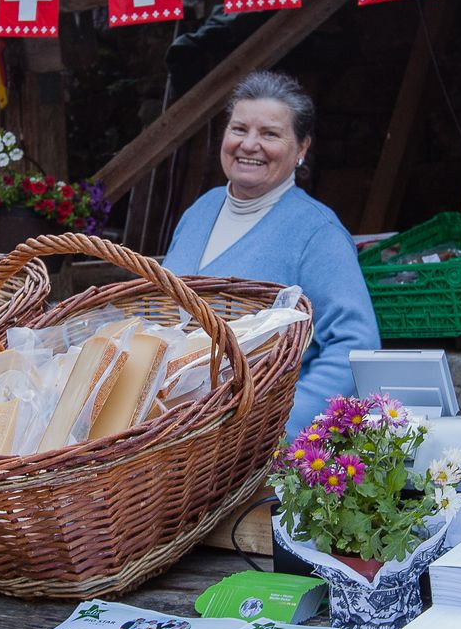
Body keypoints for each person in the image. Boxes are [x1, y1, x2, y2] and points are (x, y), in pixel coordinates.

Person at [162, 70, 379, 436]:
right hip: (171, 439)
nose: (249, 144)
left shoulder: (317, 233)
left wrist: (277, 429)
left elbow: (355, 347)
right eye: (239, 129)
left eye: (270, 134)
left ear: (302, 148)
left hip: (248, 450)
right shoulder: (200, 211)